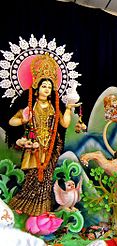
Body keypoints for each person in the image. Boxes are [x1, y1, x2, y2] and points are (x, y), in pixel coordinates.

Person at [7, 54, 79, 216]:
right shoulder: (29, 105)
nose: (46, 89)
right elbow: (12, 121)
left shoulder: (55, 105)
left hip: (51, 146)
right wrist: (23, 119)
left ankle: (41, 210)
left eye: (49, 86)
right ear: (36, 86)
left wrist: (68, 108)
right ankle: (24, 206)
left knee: (46, 179)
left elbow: (65, 124)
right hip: (34, 144)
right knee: (32, 177)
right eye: (43, 85)